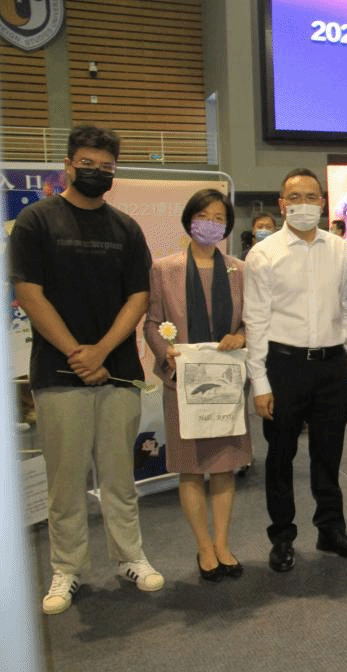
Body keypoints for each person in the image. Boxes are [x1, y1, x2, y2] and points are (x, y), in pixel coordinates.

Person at [9, 125, 164, 615]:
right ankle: (67, 568)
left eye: (106, 166)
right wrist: (77, 351)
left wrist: (101, 352)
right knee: (66, 479)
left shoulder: (126, 229)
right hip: (58, 373)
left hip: (117, 372)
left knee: (119, 474)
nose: (97, 172)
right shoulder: (36, 221)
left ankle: (130, 556)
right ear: (68, 165)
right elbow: (28, 293)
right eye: (87, 164)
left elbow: (138, 296)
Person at [243, 168, 347, 573]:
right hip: (284, 365)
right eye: (295, 197)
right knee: (280, 456)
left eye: (312, 196)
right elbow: (255, 321)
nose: (304, 204)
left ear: (322, 203)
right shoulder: (263, 254)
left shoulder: (342, 249)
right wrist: (260, 383)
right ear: (282, 204)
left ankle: (331, 530)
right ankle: (282, 537)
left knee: (328, 454)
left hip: (332, 365)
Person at [144, 188, 250, 582]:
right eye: (204, 216)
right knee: (190, 469)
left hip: (225, 384)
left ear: (227, 226)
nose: (211, 223)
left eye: (219, 218)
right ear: (190, 220)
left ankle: (222, 543)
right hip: (183, 384)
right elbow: (151, 323)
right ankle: (203, 546)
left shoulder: (240, 270)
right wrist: (165, 352)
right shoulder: (164, 268)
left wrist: (241, 336)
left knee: (224, 467)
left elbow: (251, 320)